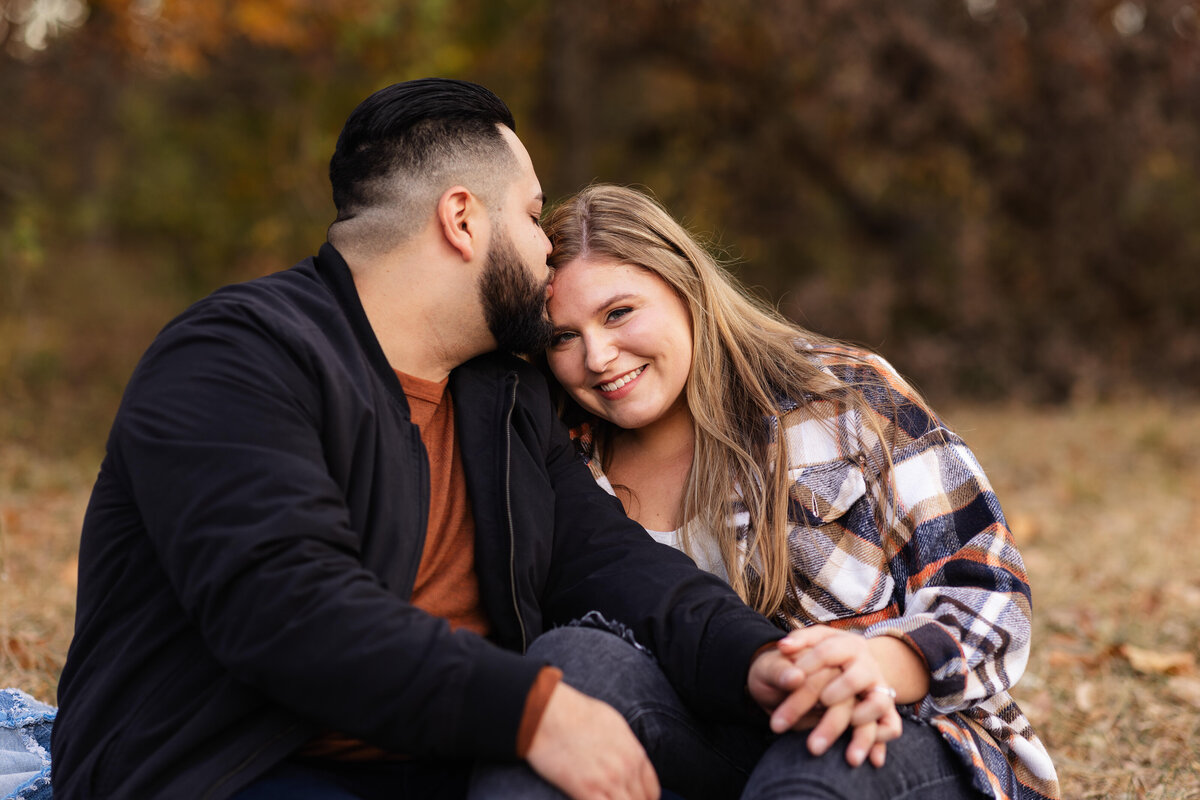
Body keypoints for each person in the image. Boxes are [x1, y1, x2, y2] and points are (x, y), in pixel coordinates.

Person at [51, 81, 869, 800]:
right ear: (462, 218)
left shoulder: (501, 394)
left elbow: (611, 564)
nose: (549, 250)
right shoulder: (235, 359)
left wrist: (757, 661)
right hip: (228, 770)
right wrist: (534, 712)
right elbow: (288, 608)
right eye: (532, 213)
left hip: (451, 764)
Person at [540, 184, 1062, 800]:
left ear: (685, 287)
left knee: (811, 772)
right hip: (710, 748)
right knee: (575, 665)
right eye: (562, 337)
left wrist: (879, 668)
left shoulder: (835, 394)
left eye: (619, 312)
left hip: (892, 730)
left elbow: (988, 586)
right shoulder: (562, 455)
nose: (598, 356)